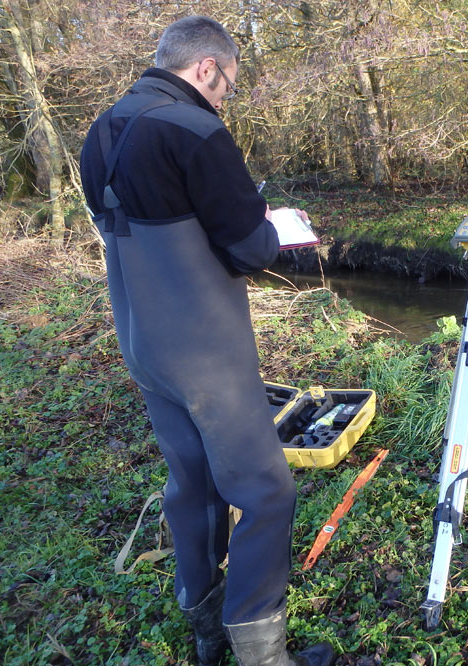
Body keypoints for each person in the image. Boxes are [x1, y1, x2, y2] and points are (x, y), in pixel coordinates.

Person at [79, 16, 334, 666]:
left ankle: (204, 628)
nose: (225, 100)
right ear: (206, 69)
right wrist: (282, 231)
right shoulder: (194, 129)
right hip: (205, 355)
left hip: (143, 344)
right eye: (228, 87)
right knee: (266, 490)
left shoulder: (101, 131)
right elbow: (249, 249)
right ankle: (261, 652)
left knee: (191, 483)